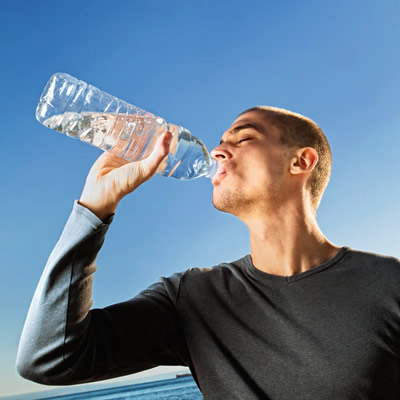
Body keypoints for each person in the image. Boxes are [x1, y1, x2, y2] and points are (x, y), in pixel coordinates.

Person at [16, 106, 400, 399]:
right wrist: (93, 209)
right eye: (220, 141)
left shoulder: (388, 285)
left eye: (243, 138)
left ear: (301, 161)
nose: (217, 150)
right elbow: (47, 359)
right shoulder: (192, 299)